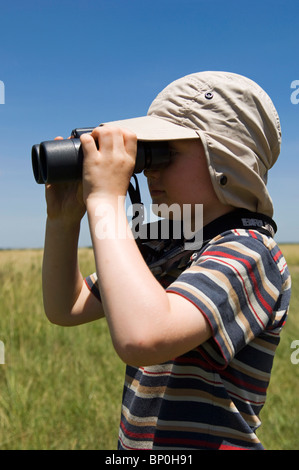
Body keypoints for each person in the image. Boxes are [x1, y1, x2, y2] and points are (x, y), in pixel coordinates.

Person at [42, 71, 291, 450]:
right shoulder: (163, 244)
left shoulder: (250, 251)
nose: (148, 169)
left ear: (224, 159)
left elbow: (144, 337)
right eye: (147, 153)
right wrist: (62, 222)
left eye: (166, 152)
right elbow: (67, 306)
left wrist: (106, 202)